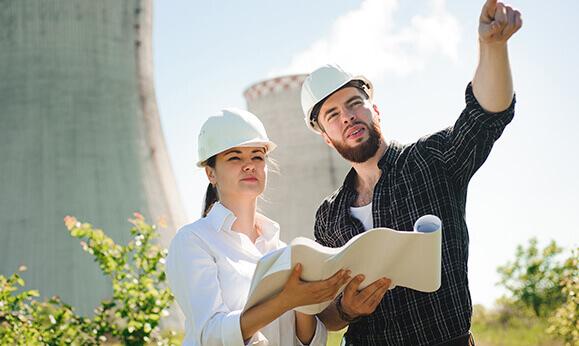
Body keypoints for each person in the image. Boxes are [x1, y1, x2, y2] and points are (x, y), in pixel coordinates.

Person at [299, 0, 522, 345]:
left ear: (375, 110)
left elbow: (484, 117)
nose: (347, 116)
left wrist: (492, 46)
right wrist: (346, 309)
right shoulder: (328, 216)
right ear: (327, 139)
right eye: (332, 115)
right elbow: (323, 315)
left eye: (354, 103)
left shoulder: (431, 160)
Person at [166, 108, 350, 346]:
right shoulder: (193, 241)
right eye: (234, 157)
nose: (249, 165)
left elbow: (309, 341)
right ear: (210, 172)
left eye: (257, 156)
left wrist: (303, 302)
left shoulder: (282, 250)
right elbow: (211, 335)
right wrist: (285, 300)